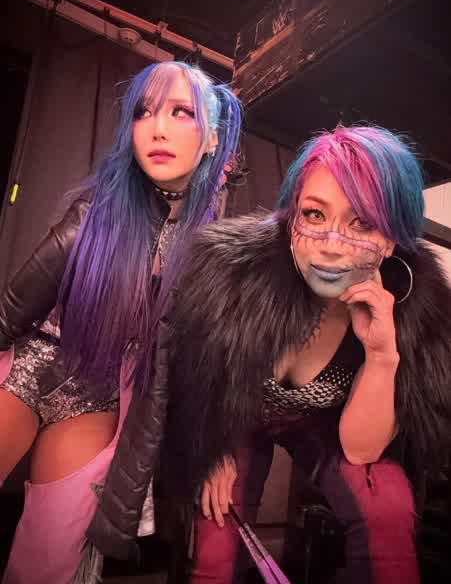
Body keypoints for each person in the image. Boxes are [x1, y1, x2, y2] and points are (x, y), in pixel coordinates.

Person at [158, 125, 451, 583]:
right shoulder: (235, 273)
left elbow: (360, 450)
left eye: (363, 223)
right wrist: (211, 447)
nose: (332, 245)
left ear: (392, 239)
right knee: (216, 541)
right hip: (234, 415)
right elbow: (196, 376)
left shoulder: (414, 310)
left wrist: (382, 355)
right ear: (292, 215)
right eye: (314, 214)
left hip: (321, 423)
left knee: (387, 505)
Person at [0, 60, 241, 583]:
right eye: (144, 112)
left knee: (48, 561)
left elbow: (201, 368)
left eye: (181, 112)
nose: (157, 128)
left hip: (98, 398)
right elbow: (9, 312)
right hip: (32, 366)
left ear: (213, 140)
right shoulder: (96, 214)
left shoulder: (213, 253)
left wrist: (216, 449)